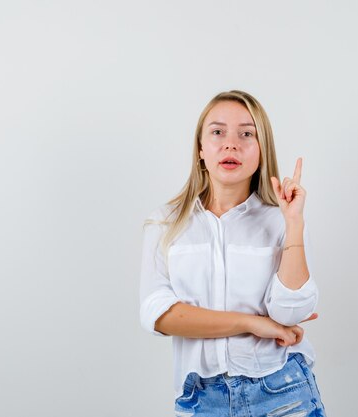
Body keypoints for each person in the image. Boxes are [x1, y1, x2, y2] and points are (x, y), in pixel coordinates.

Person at [139, 90, 327, 416]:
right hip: (201, 397)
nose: (231, 144)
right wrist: (254, 323)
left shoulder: (281, 219)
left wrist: (293, 222)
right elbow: (158, 315)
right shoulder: (165, 222)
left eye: (246, 134)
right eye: (217, 132)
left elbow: (289, 312)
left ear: (260, 150)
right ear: (200, 149)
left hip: (281, 389)